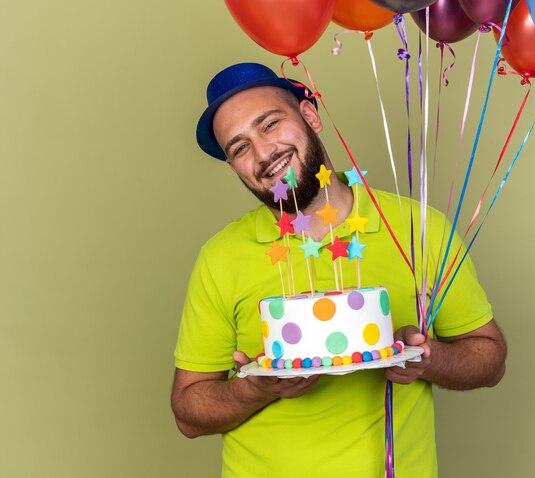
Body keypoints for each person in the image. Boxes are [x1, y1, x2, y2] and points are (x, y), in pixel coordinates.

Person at [171, 62, 507, 478]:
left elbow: (490, 357)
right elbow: (188, 411)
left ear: (310, 115)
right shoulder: (221, 257)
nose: (263, 153)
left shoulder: (419, 228)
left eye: (271, 124)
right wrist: (253, 389)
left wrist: (426, 358)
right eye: (239, 147)